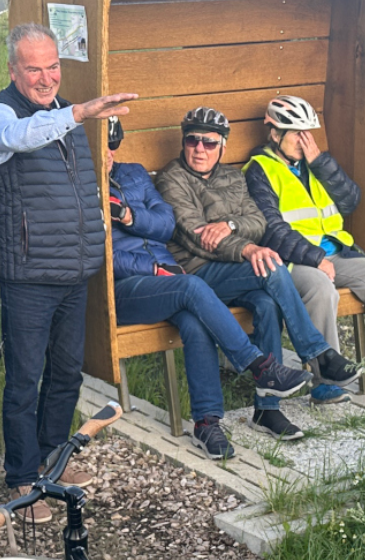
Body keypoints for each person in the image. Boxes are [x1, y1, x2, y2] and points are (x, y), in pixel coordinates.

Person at [0, 23, 135, 523]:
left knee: (66, 374)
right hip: (27, 275)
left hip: (72, 270)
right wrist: (82, 112)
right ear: (12, 70)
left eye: (53, 67)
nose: (46, 78)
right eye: (33, 68)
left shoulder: (64, 117)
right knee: (25, 380)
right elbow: (20, 138)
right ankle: (23, 483)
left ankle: (50, 462)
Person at [155, 107, 361, 453]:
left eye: (209, 142)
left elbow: (258, 221)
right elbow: (194, 236)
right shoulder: (171, 179)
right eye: (192, 140)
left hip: (231, 270)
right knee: (269, 265)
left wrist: (233, 227)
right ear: (183, 141)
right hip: (197, 274)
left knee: (266, 301)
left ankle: (267, 410)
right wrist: (248, 248)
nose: (199, 149)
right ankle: (318, 353)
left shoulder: (233, 178)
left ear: (222, 146)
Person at [108, 121, 314, 458]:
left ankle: (207, 423)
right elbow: (97, 254)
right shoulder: (79, 186)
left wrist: (131, 217)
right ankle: (259, 367)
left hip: (167, 278)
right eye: (98, 145)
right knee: (192, 285)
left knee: (199, 320)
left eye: (112, 144)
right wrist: (153, 267)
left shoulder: (133, 173)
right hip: (125, 289)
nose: (107, 153)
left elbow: (165, 223)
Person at [244, 94, 365, 393]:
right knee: (321, 290)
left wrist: (321, 164)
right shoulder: (259, 170)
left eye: (307, 134)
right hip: (292, 261)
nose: (303, 141)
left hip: (335, 252)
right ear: (274, 134)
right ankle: (325, 380)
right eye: (295, 135)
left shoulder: (313, 164)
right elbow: (271, 229)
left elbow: (350, 201)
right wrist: (315, 259)